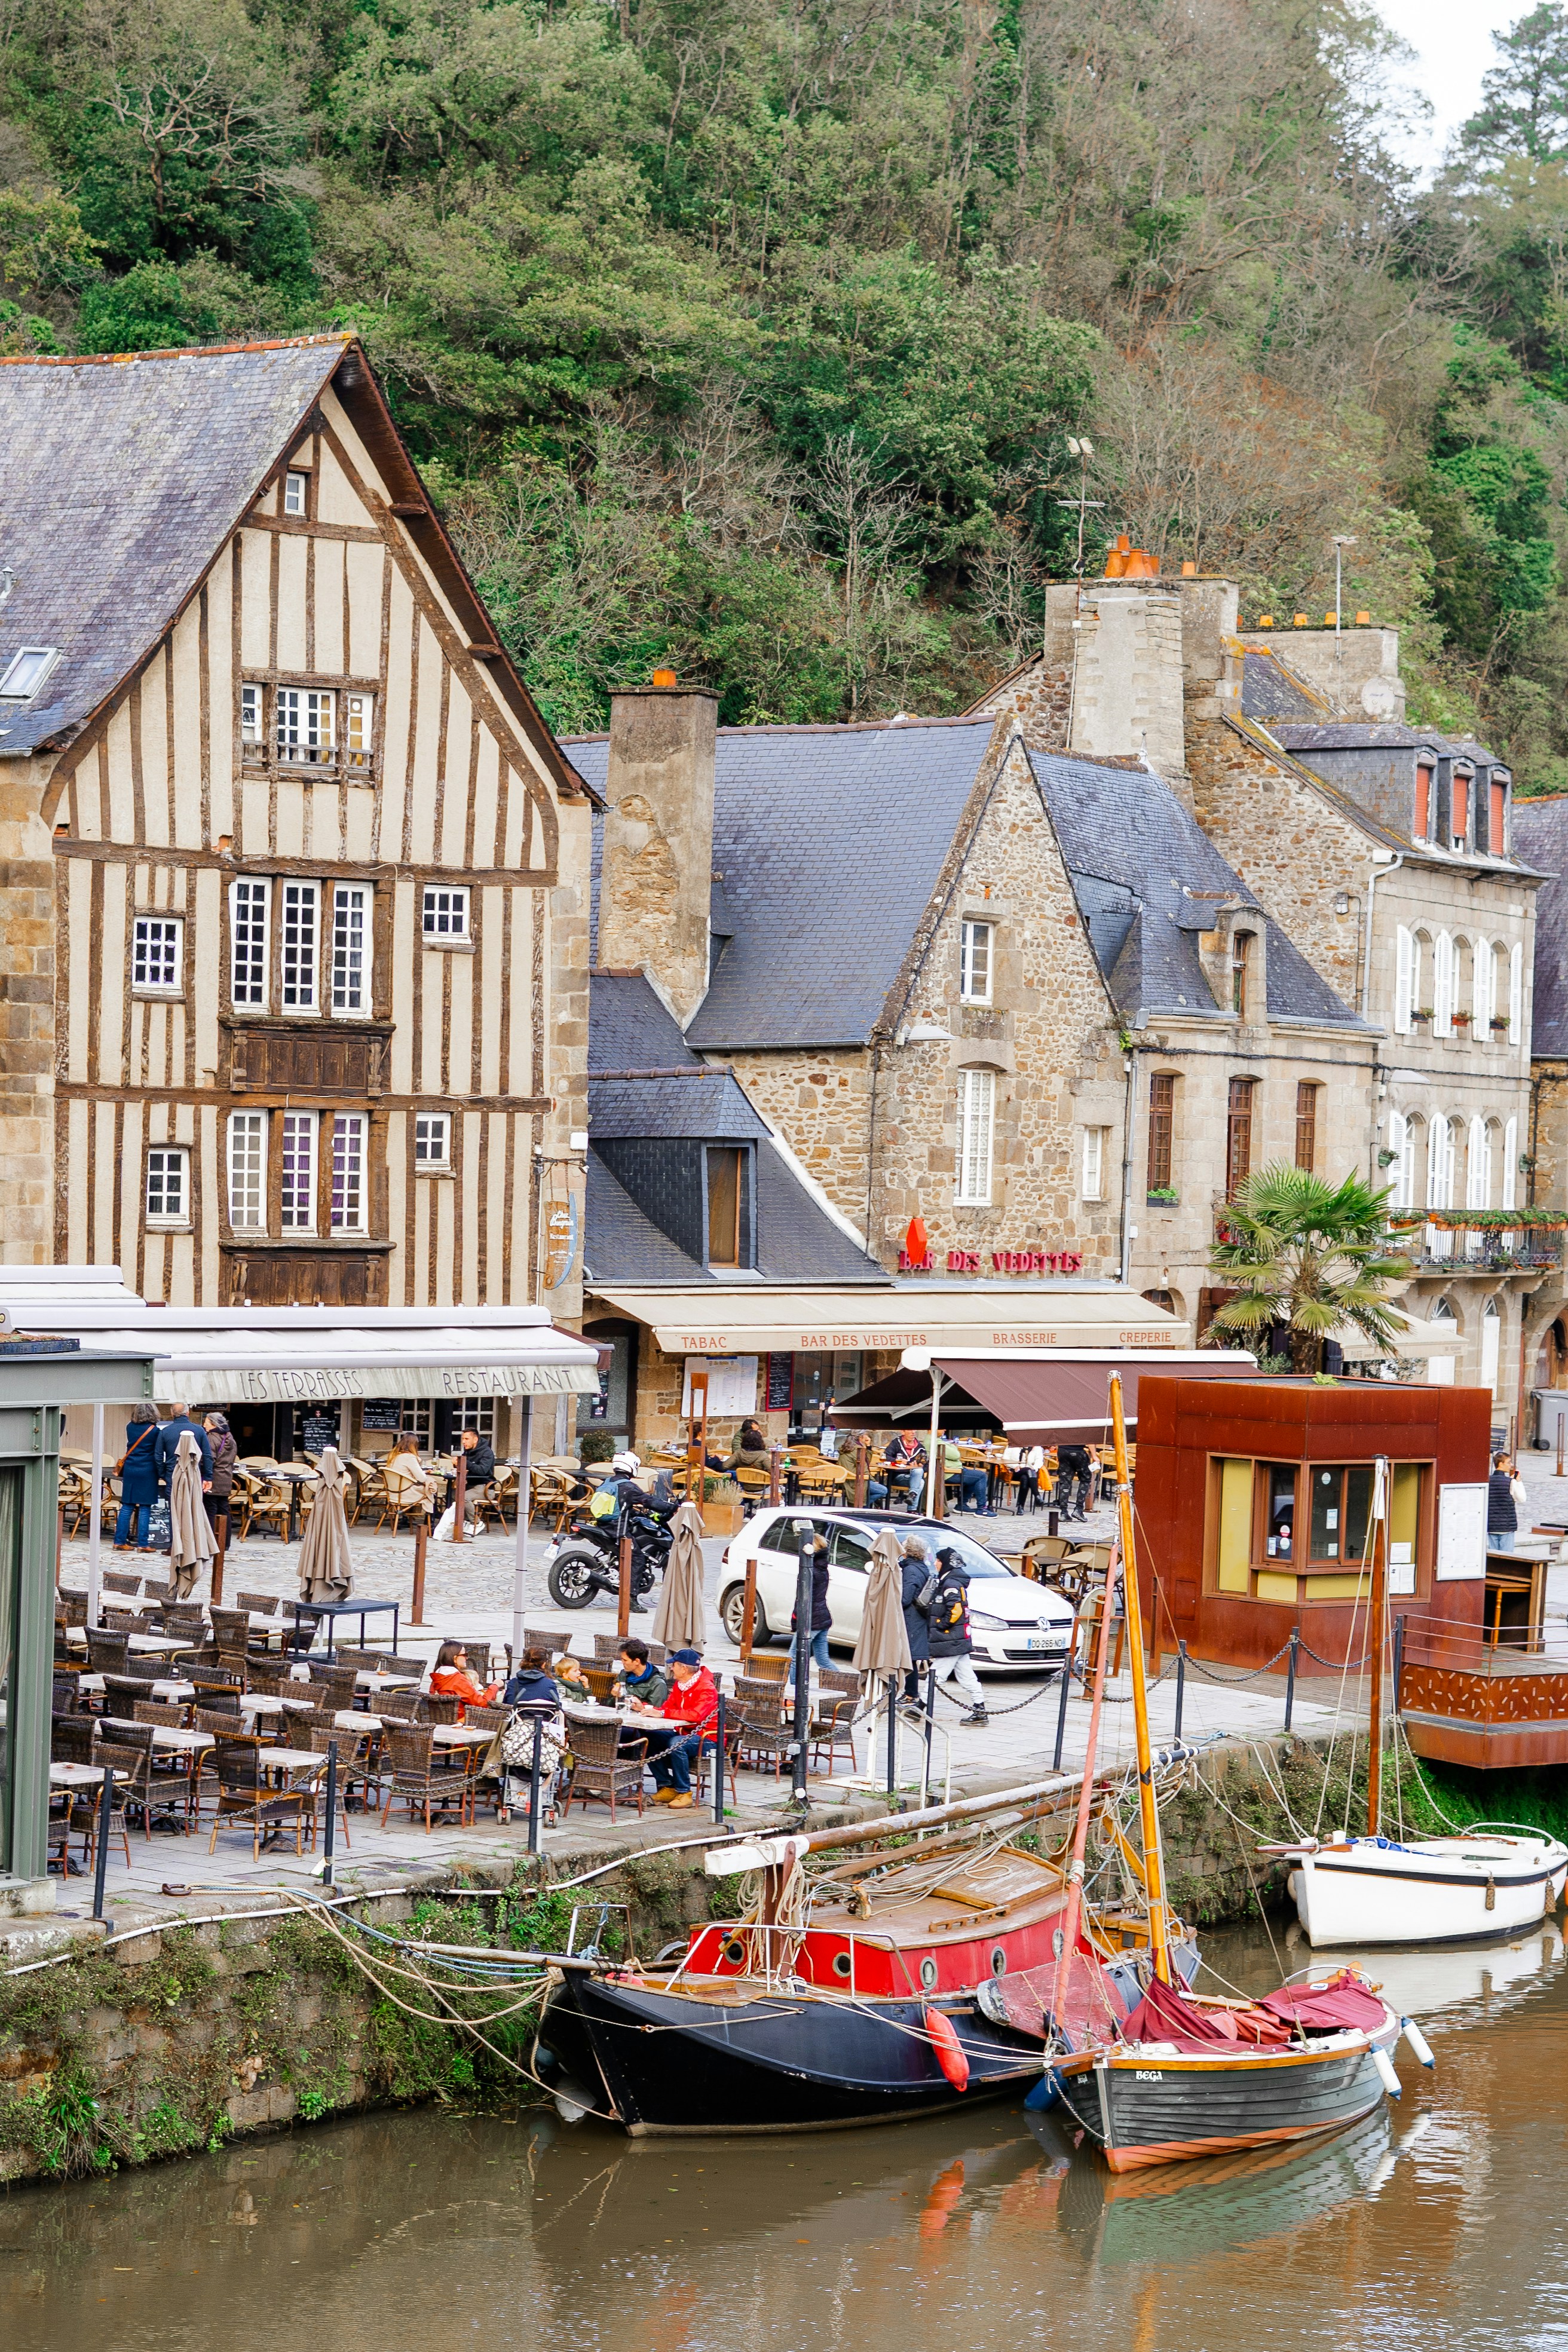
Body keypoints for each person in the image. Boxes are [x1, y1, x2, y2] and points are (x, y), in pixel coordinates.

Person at [642, 1649, 719, 1808]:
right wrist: (643, 1707)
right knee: (649, 1738)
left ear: (684, 1669)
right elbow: (667, 1708)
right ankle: (667, 1786)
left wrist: (663, 1713)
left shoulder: (706, 1688)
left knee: (676, 1743)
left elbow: (696, 1715)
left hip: (709, 1739)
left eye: (674, 1665)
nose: (671, 1668)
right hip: (685, 1733)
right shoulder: (681, 1685)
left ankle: (684, 1792)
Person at [498, 1646, 566, 1824]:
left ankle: (512, 1797)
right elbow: (557, 1708)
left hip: (518, 1739)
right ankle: (544, 1796)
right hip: (544, 1740)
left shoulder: (514, 1683)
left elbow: (507, 1707)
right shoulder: (549, 1684)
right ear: (544, 1664)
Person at [927, 1545, 987, 1726]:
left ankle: (921, 1706)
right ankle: (980, 1708)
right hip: (958, 1637)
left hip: (951, 1638)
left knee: (936, 1674)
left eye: (938, 1561)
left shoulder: (951, 1583)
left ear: (945, 1563)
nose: (936, 1564)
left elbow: (956, 1609)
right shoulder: (951, 1581)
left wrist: (941, 1624)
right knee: (966, 1675)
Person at [113, 1402, 161, 1548]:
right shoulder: (155, 1431)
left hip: (131, 1468)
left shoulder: (130, 1427)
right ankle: (143, 1544)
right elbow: (157, 1453)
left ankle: (119, 1541)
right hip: (147, 1470)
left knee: (127, 1505)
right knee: (145, 1507)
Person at [789, 1532, 833, 1682]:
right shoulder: (821, 1568)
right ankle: (846, 1685)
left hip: (812, 1619)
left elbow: (802, 1599)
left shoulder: (810, 1571)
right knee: (823, 1660)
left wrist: (796, 1619)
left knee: (794, 1657)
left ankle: (795, 1692)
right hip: (821, 1617)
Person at [899, 1533, 934, 1705]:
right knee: (910, 1657)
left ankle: (911, 1694)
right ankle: (910, 1693)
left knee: (910, 1657)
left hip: (911, 1619)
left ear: (907, 1551)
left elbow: (905, 1599)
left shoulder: (911, 1570)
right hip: (916, 1619)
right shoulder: (920, 1567)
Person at [153, 1404, 213, 1505]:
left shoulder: (165, 1432)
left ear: (172, 1414)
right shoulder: (199, 1430)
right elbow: (207, 1455)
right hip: (193, 1476)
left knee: (174, 1512)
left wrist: (163, 1474)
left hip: (172, 1475)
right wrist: (208, 1477)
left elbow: (158, 1456)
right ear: (188, 1413)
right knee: (192, 1511)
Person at [430, 1640, 503, 1714]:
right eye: (465, 1655)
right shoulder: (457, 1679)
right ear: (455, 1659)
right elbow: (483, 1704)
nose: (467, 1658)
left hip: (443, 1718)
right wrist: (495, 1686)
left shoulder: (437, 1676)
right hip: (462, 1719)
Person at [384, 1432, 437, 1524]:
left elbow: (405, 1473)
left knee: (426, 1487)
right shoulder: (410, 1457)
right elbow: (422, 1479)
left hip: (393, 1493)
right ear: (414, 1445)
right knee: (431, 1489)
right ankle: (430, 1524)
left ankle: (406, 1518)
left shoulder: (394, 1455)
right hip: (406, 1493)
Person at [203, 1411, 238, 1548]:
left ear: (213, 1424)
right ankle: (225, 1543)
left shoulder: (212, 1437)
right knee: (224, 1511)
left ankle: (210, 1543)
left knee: (210, 1511)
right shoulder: (230, 1437)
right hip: (226, 1478)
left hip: (214, 1479)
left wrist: (206, 1476)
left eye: (206, 1422)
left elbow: (209, 1459)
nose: (204, 1424)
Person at [445, 1423, 496, 1512]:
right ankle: (459, 1522)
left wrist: (464, 1462)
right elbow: (465, 1467)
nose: (463, 1442)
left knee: (463, 1498)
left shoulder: (487, 1452)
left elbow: (482, 1471)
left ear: (475, 1439)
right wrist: (457, 1464)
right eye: (463, 1439)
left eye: (467, 1439)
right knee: (452, 1495)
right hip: (470, 1485)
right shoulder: (468, 1451)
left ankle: (476, 1523)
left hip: (485, 1487)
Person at [613, 1637, 670, 1711]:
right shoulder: (623, 1675)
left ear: (637, 1661)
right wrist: (615, 1695)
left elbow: (656, 1712)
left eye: (625, 1660)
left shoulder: (657, 1684)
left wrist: (640, 1706)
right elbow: (612, 1705)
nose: (622, 1662)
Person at [1488, 1453, 1530, 1552]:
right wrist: (1518, 1482)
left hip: (1491, 1526)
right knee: (1507, 1557)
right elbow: (1522, 1499)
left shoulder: (1488, 1480)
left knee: (1494, 1558)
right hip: (1507, 1526)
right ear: (1501, 1464)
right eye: (1509, 1462)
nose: (1511, 1465)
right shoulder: (1511, 1482)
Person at [881, 1432, 926, 1505]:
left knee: (920, 1474)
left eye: (914, 1430)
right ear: (903, 1432)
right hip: (898, 1477)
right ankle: (912, 1510)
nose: (913, 1432)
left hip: (914, 1477)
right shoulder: (896, 1443)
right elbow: (886, 1457)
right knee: (920, 1482)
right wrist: (896, 1461)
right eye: (910, 1430)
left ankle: (912, 1495)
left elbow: (926, 1465)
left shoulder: (920, 1448)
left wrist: (919, 1465)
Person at [1056, 1442, 1093, 1522]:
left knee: (1065, 1481)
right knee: (1085, 1479)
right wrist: (1094, 1455)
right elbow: (1090, 1441)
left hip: (1063, 1451)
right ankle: (1078, 1509)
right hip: (1078, 1451)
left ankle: (1064, 1512)